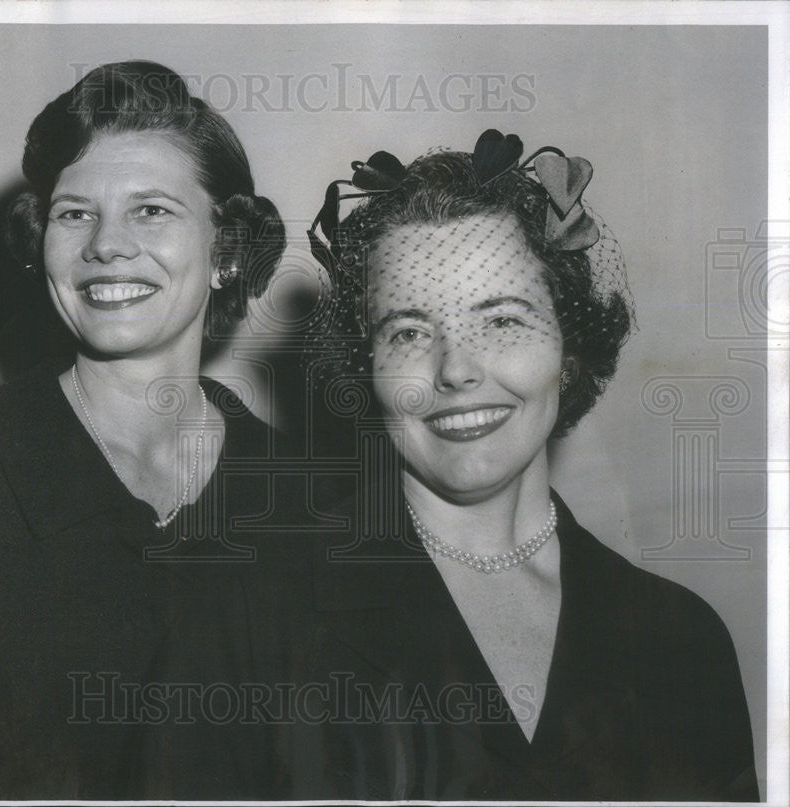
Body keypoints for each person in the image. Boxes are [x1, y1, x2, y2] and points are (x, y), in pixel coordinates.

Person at [0, 61, 288, 799]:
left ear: (228, 249)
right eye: (75, 213)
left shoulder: (297, 491)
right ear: (41, 244)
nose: (106, 244)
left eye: (151, 210)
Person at [291, 134, 760, 800]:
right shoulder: (256, 610)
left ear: (569, 349)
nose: (455, 370)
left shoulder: (683, 640)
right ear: (365, 365)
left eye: (502, 320)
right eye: (409, 331)